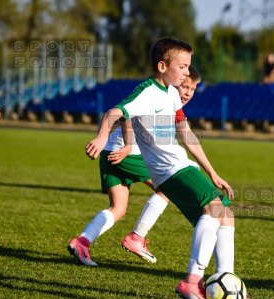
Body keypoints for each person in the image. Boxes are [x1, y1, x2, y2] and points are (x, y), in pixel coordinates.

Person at [85, 37, 259, 299]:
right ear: (163, 65)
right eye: (183, 67)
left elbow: (186, 133)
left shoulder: (173, 94)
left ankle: (228, 282)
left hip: (181, 165)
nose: (187, 73)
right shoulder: (146, 92)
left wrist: (212, 172)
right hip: (170, 170)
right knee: (214, 209)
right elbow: (114, 112)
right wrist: (103, 134)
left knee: (226, 214)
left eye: (189, 67)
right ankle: (192, 281)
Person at [67, 67, 204, 267]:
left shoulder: (169, 97)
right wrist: (128, 145)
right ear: (174, 78)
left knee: (118, 208)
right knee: (168, 186)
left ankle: (82, 242)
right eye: (184, 86)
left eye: (192, 89)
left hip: (110, 151)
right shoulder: (159, 92)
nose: (187, 92)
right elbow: (126, 115)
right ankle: (137, 238)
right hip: (127, 152)